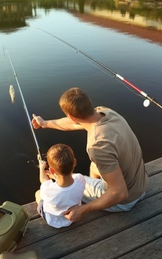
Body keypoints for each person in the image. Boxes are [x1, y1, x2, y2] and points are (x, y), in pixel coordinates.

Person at [32, 87, 148, 222]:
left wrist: (81, 210)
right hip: (141, 184)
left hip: (127, 200)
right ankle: (98, 188)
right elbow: (74, 123)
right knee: (94, 166)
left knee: (71, 183)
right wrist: (45, 123)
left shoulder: (98, 145)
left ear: (71, 116)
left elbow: (120, 193)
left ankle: (99, 196)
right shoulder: (106, 112)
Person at [35, 143, 86, 228]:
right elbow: (69, 178)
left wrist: (41, 168)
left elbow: (43, 180)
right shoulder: (80, 179)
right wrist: (54, 175)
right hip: (72, 217)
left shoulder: (47, 190)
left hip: (53, 221)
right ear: (74, 162)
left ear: (51, 170)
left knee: (37, 193)